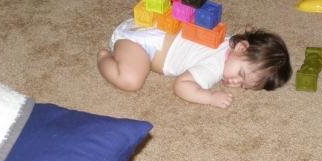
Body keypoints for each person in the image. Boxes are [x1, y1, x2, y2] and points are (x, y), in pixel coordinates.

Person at [97, 18, 292, 109]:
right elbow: (182, 86)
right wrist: (209, 97)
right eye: (240, 75)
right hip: (138, 43)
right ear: (241, 48)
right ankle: (104, 58)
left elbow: (249, 30)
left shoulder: (230, 41)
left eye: (243, 85)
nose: (234, 82)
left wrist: (252, 32)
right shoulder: (213, 68)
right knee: (130, 81)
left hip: (149, 22)